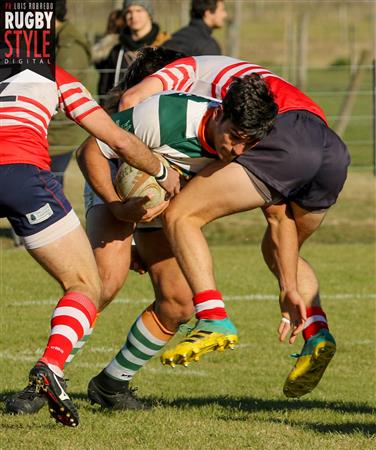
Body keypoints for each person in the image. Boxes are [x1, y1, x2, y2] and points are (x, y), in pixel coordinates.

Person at [123, 54, 349, 399]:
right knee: (277, 247)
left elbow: (131, 101)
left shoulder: (185, 69)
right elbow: (278, 218)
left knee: (182, 215)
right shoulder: (246, 84)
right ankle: (316, 330)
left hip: (286, 133)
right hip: (330, 148)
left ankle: (212, 316)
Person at [2, 64, 180, 426]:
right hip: (22, 176)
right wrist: (162, 172)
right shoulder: (51, 74)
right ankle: (51, 364)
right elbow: (118, 140)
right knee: (85, 284)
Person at [48, 0, 92, 187]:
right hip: (52, 128)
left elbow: (58, 89)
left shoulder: (69, 45)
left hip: (61, 131)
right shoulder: (51, 38)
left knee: (50, 184)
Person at [96, 0, 170, 106]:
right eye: (129, 12)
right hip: (122, 114)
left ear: (149, 14)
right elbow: (104, 89)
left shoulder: (165, 47)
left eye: (139, 10)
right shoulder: (117, 51)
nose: (133, 16)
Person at [163, 0, 227, 56]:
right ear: (208, 13)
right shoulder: (208, 45)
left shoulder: (176, 36)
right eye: (222, 10)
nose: (225, 14)